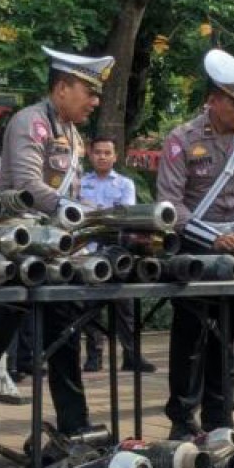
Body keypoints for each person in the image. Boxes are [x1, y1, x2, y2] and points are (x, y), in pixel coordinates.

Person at [0, 45, 111, 468]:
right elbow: (28, 186)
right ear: (62, 87)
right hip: (13, 251)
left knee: (65, 342)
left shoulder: (74, 135)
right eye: (88, 91)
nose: (94, 101)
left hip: (53, 252)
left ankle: (75, 429)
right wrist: (80, 213)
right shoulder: (30, 122)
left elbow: (72, 193)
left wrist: (82, 221)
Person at [156, 49, 234, 440]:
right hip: (194, 245)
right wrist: (214, 238)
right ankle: (182, 418)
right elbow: (171, 204)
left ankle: (220, 417)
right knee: (191, 335)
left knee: (231, 336)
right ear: (214, 99)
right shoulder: (182, 138)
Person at [78, 137, 155, 374]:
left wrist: (96, 214)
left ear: (115, 156)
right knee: (91, 309)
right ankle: (94, 357)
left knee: (126, 307)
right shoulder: (79, 183)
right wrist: (101, 215)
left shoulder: (125, 184)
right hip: (88, 250)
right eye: (98, 152)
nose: (102, 156)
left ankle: (131, 356)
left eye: (107, 152)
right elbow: (77, 214)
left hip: (118, 252)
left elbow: (125, 216)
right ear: (90, 155)